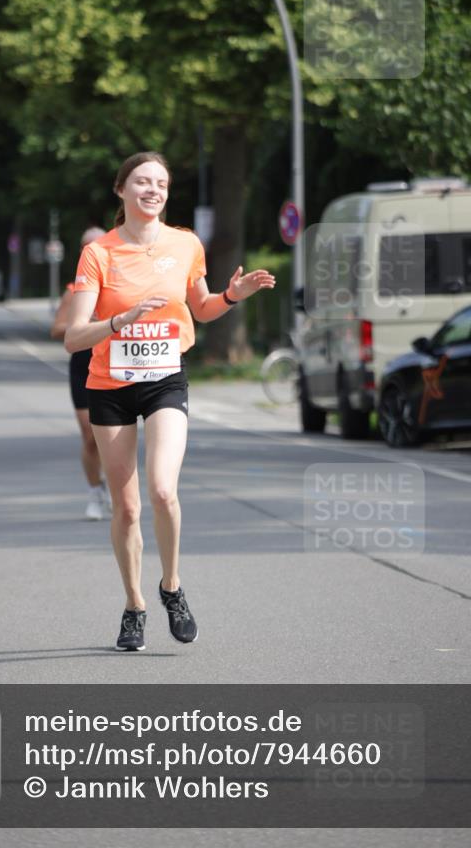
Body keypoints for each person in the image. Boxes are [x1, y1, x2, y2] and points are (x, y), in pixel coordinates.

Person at [65, 152, 275, 651]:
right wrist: (120, 320)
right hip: (110, 384)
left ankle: (172, 587)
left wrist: (232, 296)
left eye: (160, 182)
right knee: (128, 509)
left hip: (165, 380)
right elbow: (74, 337)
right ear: (122, 190)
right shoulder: (100, 253)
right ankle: (134, 604)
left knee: (163, 491)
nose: (152, 189)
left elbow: (200, 309)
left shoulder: (185, 244)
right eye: (142, 181)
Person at [51, 227, 112, 521]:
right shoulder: (74, 290)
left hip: (115, 365)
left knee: (113, 436)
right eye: (87, 247)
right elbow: (57, 329)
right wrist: (87, 322)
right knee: (90, 436)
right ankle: (95, 491)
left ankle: (115, 485)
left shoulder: (121, 283)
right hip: (83, 364)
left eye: (98, 245)